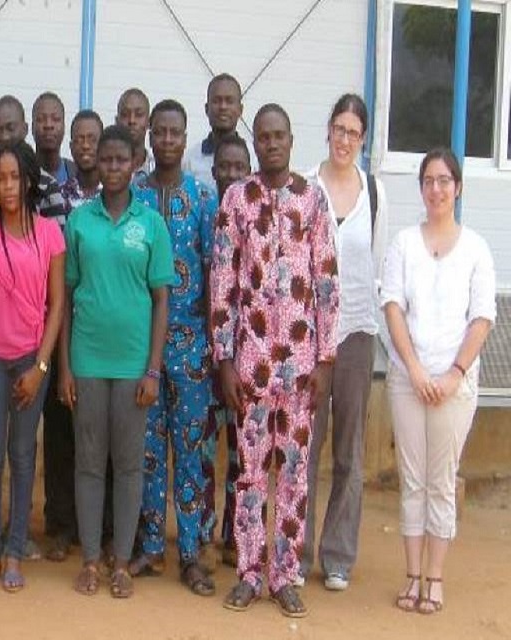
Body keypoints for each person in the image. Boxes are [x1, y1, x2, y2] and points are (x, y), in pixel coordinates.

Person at [212, 104, 339, 618]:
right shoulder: (235, 200)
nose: (270, 144)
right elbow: (222, 279)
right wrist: (224, 358)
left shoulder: (312, 200)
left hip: (302, 365)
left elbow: (327, 281)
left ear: (291, 139)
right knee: (248, 474)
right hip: (251, 362)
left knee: (295, 472)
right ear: (254, 141)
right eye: (262, 137)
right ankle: (247, 572)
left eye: (279, 136)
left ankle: (285, 575)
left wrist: (326, 358)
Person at [58, 125, 172, 599]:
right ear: (97, 165)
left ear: (136, 162)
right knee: (88, 464)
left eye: (121, 160)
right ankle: (89, 560)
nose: (112, 168)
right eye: (105, 160)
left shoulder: (151, 224)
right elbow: (65, 298)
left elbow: (161, 300)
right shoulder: (80, 221)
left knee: (127, 466)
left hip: (132, 368)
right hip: (86, 361)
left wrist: (152, 369)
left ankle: (121, 562)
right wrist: (64, 367)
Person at [383, 147, 494, 615]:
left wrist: (452, 374)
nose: (436, 189)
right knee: (413, 479)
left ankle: (435, 578)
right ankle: (411, 574)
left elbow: (482, 317)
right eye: (429, 180)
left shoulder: (475, 248)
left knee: (441, 480)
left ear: (459, 187)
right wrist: (415, 369)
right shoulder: (404, 244)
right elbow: (392, 306)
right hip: (408, 379)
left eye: (445, 180)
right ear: (421, 188)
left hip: (455, 386)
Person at [0, 94, 68, 560]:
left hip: (30, 360)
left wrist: (42, 365)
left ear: (28, 181)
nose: (7, 187)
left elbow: (57, 304)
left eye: (14, 178)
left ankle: (16, 545)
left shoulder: (50, 233)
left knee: (23, 455)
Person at [129, 99, 219, 595]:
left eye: (174, 133)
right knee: (147, 449)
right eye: (158, 132)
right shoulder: (135, 197)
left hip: (191, 347)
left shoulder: (203, 198)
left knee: (189, 451)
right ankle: (150, 547)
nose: (165, 140)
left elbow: (215, 273)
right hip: (141, 347)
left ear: (185, 140)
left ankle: (190, 553)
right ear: (150, 137)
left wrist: (212, 344)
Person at [301, 93, 389, 591]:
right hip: (307, 337)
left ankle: (337, 556)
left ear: (363, 138)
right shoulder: (305, 186)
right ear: (328, 130)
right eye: (339, 129)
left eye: (355, 132)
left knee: (349, 452)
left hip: (355, 334)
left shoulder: (374, 193)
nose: (345, 139)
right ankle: (296, 549)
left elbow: (372, 268)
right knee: (304, 448)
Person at [39, 103, 93, 563]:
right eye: (82, 139)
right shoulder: (58, 193)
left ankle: (96, 524)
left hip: (100, 331)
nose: (86, 146)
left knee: (93, 434)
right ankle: (59, 523)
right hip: (56, 324)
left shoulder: (127, 194)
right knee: (59, 431)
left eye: (92, 139)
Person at [207, 132, 252, 567]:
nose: (232, 174)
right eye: (225, 167)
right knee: (203, 449)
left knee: (242, 451)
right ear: (215, 169)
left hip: (249, 356)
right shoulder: (205, 210)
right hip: (204, 355)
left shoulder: (259, 215)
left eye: (240, 167)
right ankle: (201, 532)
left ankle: (234, 532)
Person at [186, 73, 249, 189]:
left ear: (240, 110)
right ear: (206, 109)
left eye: (229, 101)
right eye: (216, 101)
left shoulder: (253, 157)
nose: (223, 107)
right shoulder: (190, 159)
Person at [61, 109, 103, 208]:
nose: (85, 146)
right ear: (71, 147)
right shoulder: (60, 195)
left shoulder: (115, 195)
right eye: (79, 140)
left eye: (92, 139)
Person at [33, 92, 76, 188]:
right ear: (32, 127)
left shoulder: (76, 173)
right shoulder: (20, 174)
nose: (48, 125)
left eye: (55, 119)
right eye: (41, 119)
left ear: (64, 127)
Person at [116, 88, 154, 177]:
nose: (132, 121)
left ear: (149, 122)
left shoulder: (159, 170)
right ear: (117, 121)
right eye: (125, 114)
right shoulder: (106, 169)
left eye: (139, 114)